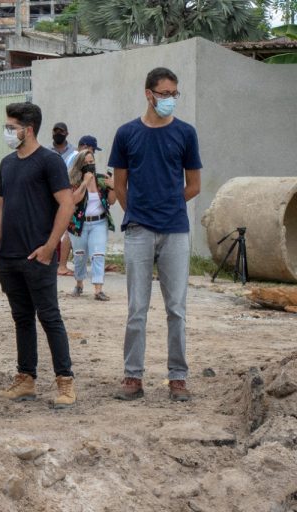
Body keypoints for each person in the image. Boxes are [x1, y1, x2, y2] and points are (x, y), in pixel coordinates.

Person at [108, 67, 202, 402]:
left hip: (176, 230)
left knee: (176, 307)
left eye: (174, 94)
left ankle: (178, 377)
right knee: (137, 308)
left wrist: (168, 204)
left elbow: (194, 185)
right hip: (138, 230)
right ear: (148, 94)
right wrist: (138, 212)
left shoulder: (186, 134)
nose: (170, 100)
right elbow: (119, 186)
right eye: (164, 94)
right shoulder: (126, 133)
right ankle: (132, 377)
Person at [0, 102, 77, 407]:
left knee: (49, 317)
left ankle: (65, 382)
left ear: (28, 129)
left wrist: (50, 246)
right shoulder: (7, 163)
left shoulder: (49, 162)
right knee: (22, 317)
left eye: (11, 127)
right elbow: (1, 205)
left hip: (38, 256)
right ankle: (25, 379)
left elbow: (66, 204)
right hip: (9, 256)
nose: (7, 132)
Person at [67, 150, 116, 301]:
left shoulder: (102, 180)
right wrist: (85, 183)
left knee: (98, 254)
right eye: (86, 163)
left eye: (92, 162)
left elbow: (112, 201)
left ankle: (98, 289)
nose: (90, 166)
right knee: (80, 255)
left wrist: (113, 187)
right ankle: (79, 283)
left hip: (99, 222)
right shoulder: (74, 181)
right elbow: (74, 200)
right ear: (80, 165)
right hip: (79, 223)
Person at [57, 135, 104, 276]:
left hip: (70, 196)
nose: (93, 154)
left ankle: (68, 265)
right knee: (69, 233)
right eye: (93, 149)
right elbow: (73, 177)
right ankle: (63, 266)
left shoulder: (72, 155)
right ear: (86, 147)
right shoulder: (78, 158)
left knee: (71, 233)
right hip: (73, 198)